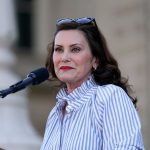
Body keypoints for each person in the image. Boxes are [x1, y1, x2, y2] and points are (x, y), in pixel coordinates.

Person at [40, 17, 145, 149]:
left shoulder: (109, 97)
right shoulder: (55, 114)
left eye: (75, 49)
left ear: (95, 60)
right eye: (59, 49)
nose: (64, 58)